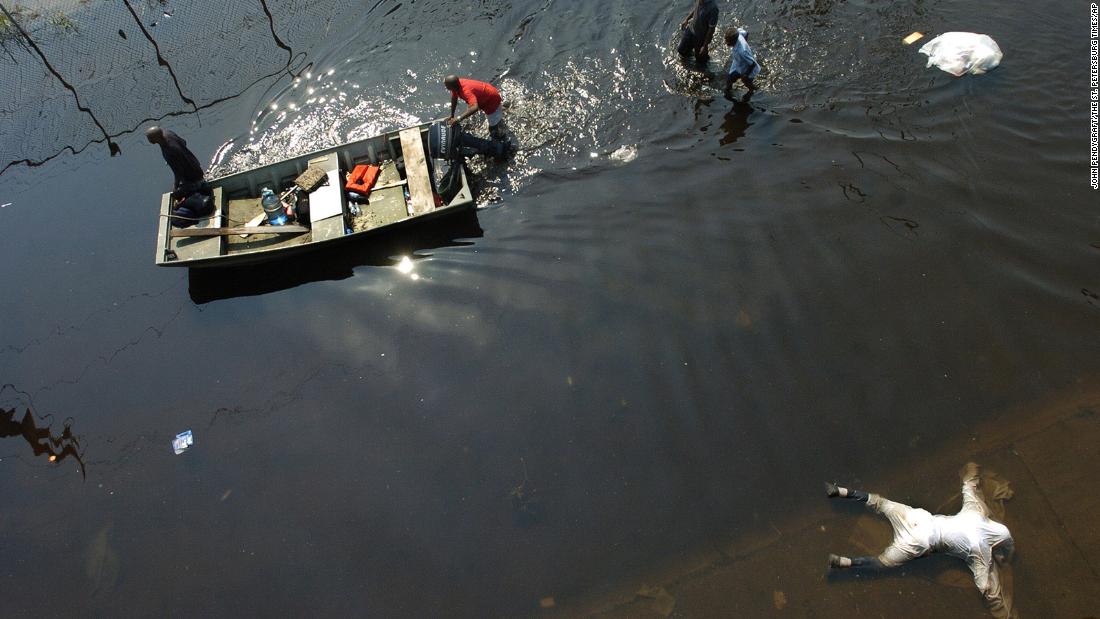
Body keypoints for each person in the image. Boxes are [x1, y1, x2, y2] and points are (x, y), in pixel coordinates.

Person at [826, 463, 1017, 618]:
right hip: (919, 541)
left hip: (918, 518)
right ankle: (842, 562)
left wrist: (973, 469)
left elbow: (969, 483)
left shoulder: (975, 512)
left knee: (880, 503)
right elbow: (984, 584)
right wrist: (994, 577)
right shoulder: (980, 552)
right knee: (884, 562)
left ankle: (839, 491)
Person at [145, 126, 213, 227]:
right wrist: (181, 157)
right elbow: (184, 142)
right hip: (196, 166)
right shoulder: (168, 133)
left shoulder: (169, 151)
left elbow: (178, 172)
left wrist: (176, 186)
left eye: (149, 138)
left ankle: (195, 195)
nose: (148, 140)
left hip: (192, 177)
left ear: (155, 139)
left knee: (176, 195)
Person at [445, 75, 507, 142]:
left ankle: (498, 139)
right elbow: (454, 99)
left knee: (493, 126)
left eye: (447, 86)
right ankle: (501, 110)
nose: (446, 87)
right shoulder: (456, 85)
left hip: (492, 100)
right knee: (473, 109)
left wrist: (458, 119)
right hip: (485, 94)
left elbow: (475, 107)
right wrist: (452, 115)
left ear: (452, 86)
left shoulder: (466, 91)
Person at [724, 27, 759, 96]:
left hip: (746, 67)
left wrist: (745, 75)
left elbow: (753, 64)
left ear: (734, 40)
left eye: (728, 41)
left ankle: (752, 92)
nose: (726, 43)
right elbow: (746, 33)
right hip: (738, 62)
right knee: (729, 79)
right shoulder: (738, 33)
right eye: (726, 40)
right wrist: (745, 42)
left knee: (747, 83)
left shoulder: (742, 51)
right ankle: (728, 93)